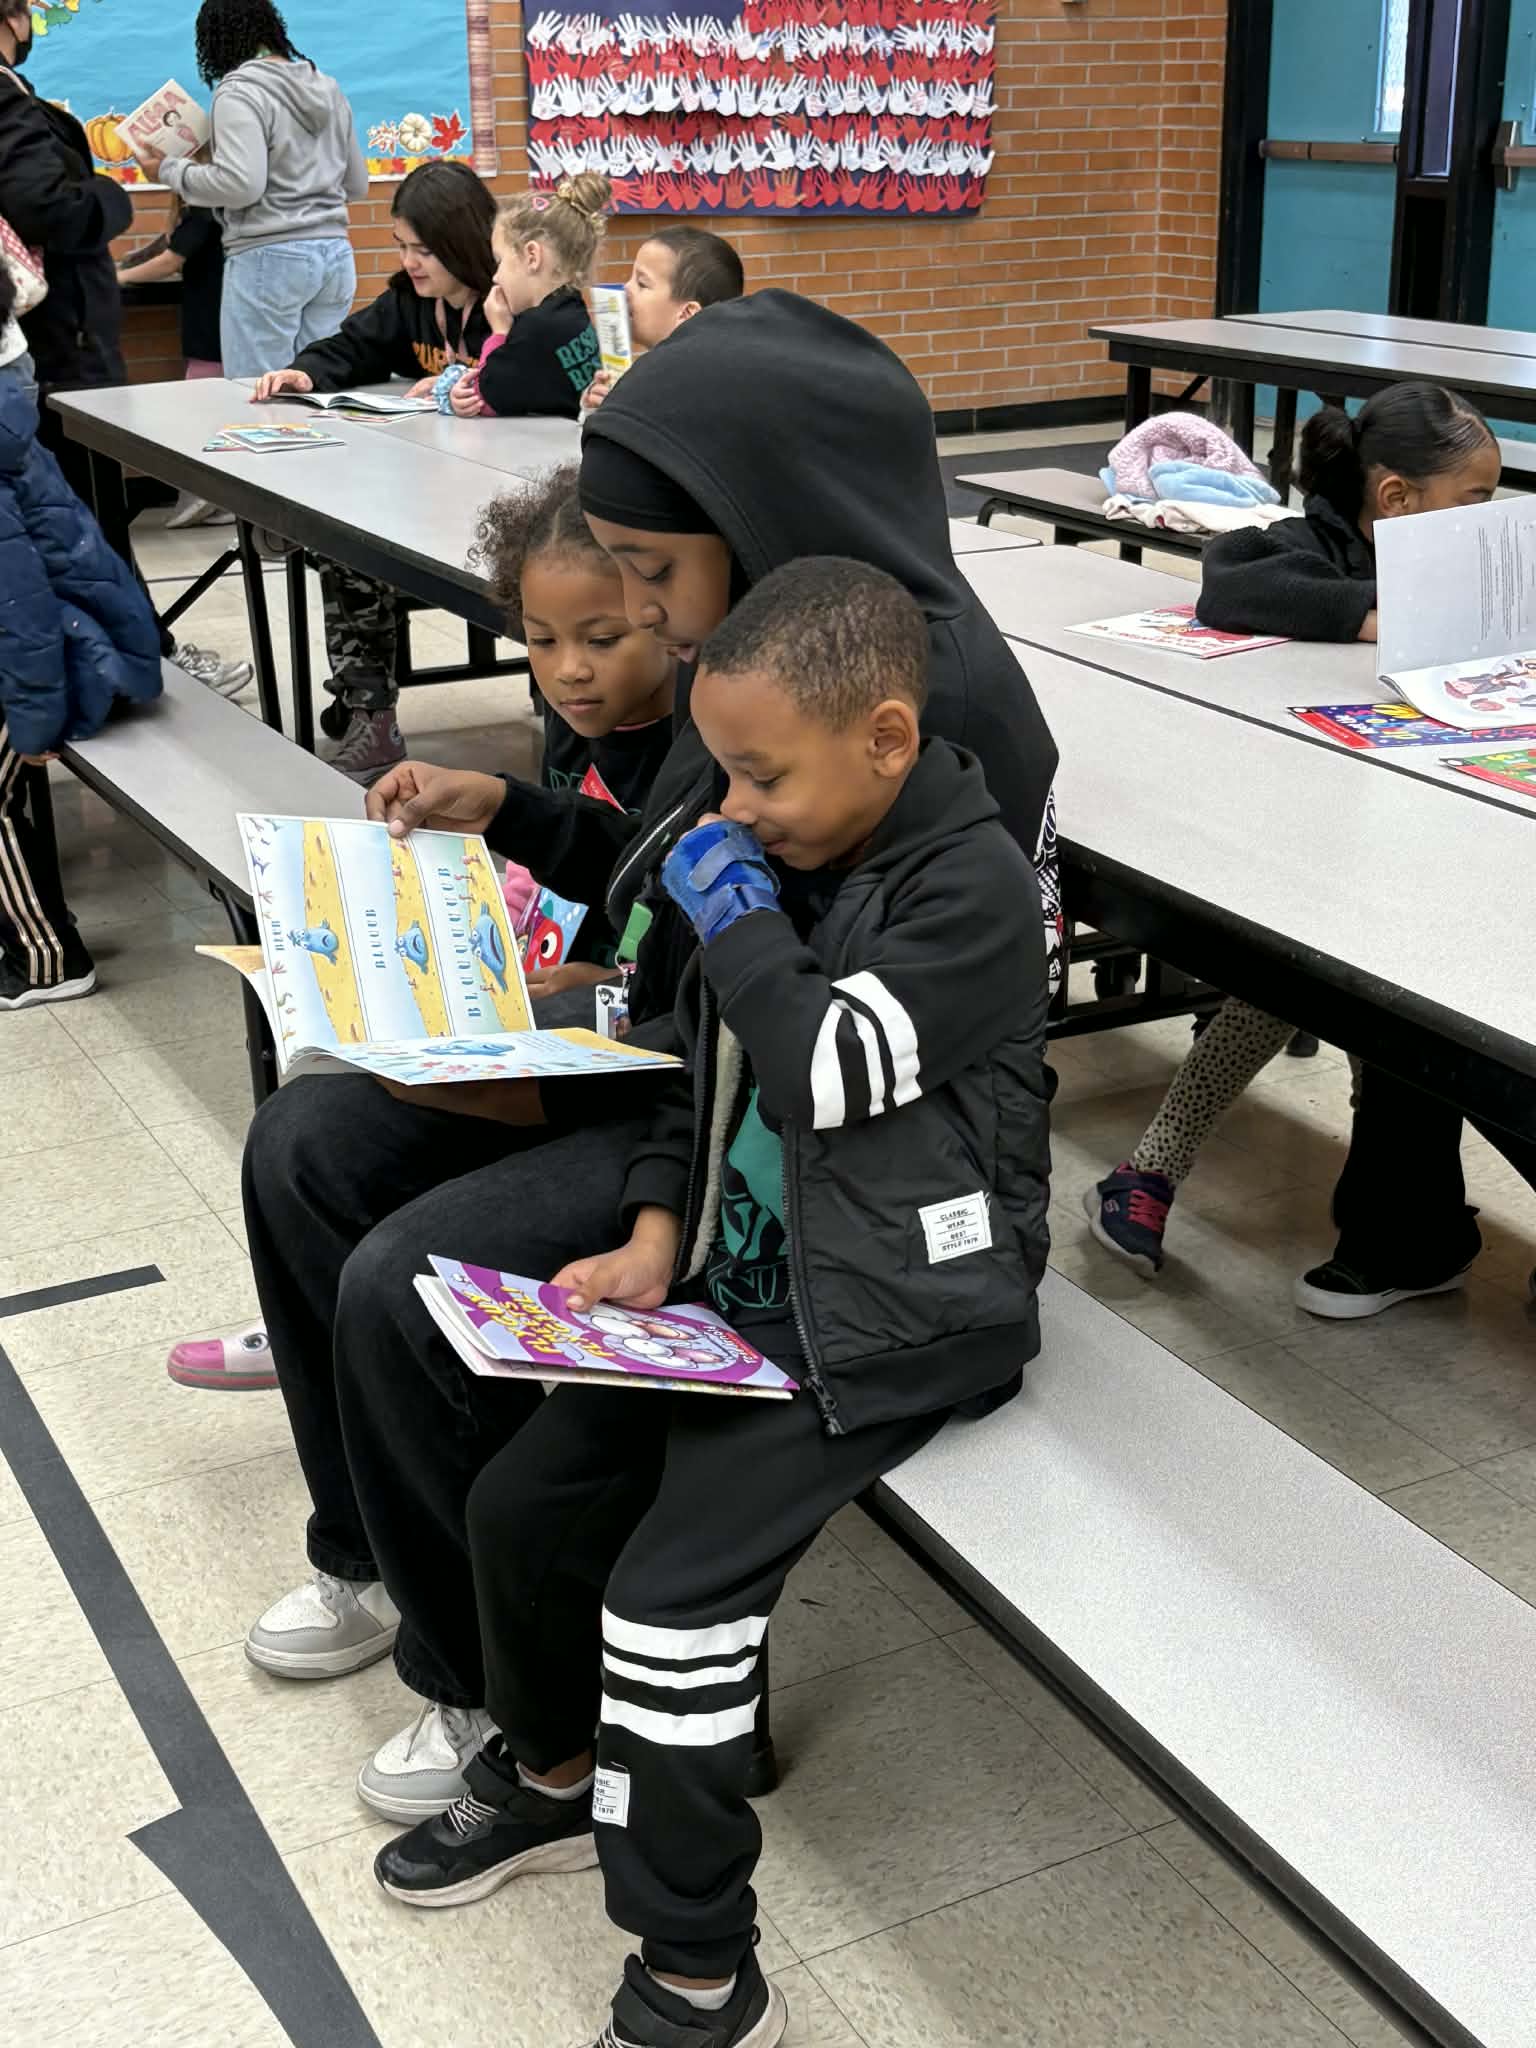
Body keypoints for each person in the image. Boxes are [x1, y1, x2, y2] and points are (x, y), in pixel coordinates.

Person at [231, 289, 1057, 1820]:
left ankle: (484, 1679)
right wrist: (515, 822)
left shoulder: (895, 712)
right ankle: (370, 1549)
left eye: (656, 571)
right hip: (669, 1058)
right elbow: (661, 878)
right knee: (305, 1145)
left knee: (401, 1278)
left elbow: (783, 1040)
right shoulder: (744, 666)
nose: (644, 607)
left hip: (767, 1142)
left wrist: (574, 1062)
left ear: (766, 518)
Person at [369, 558, 1054, 2048]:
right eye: (726, 773)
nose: (733, 807)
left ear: (885, 738)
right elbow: (702, 1066)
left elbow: (823, 1070)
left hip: (895, 1318)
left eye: (761, 776)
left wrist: (740, 918)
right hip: (740, 1289)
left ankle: (696, 1975)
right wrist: (655, 1232)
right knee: (521, 1508)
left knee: (668, 1609)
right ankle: (552, 1774)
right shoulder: (804, 845)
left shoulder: (974, 888)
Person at [167, 462, 676, 1391]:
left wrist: (605, 980)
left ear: (672, 616)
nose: (569, 668)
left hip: (644, 1059)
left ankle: (351, 1310)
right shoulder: (582, 717)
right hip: (572, 1004)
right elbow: (594, 868)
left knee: (384, 1222)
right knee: (302, 1121)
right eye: (540, 640)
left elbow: (678, 916)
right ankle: (315, 1318)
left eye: (602, 639)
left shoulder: (708, 740)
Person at [1087, 383, 1501, 1275]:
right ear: (1396, 497)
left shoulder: (1470, 561)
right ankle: (1157, 1169)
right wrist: (1372, 618)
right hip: (1307, 824)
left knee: (1369, 998)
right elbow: (1233, 581)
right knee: (1306, 989)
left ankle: (1386, 1196)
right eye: (1475, 498)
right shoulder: (1315, 543)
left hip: (1419, 816)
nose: (1488, 518)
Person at [254, 172, 610, 783]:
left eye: (422, 250)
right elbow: (353, 345)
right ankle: (370, 715)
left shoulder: (517, 308)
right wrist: (306, 372)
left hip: (514, 498)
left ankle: (547, 699)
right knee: (347, 545)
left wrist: (468, 370)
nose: (409, 263)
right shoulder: (410, 303)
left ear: (460, 243)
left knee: (540, 562)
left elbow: (510, 383)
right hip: (435, 492)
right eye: (401, 247)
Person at [0, 0, 250, 697]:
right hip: (58, 344)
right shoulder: (6, 100)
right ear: (14, 18)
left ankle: (114, 655)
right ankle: (141, 655)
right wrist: (110, 197)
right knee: (86, 515)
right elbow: (48, 205)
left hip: (47, 341)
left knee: (67, 517)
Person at [0, 260, 162, 1007]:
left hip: (68, 662)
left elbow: (22, 610)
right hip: (40, 651)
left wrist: (36, 722)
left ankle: (48, 958)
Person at [141, 0, 367, 380]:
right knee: (317, 385)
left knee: (257, 393)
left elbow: (241, 185)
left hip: (268, 254)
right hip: (335, 255)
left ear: (215, 40)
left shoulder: (238, 92)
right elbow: (356, 184)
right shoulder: (328, 88)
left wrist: (169, 170)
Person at [118, 202, 231, 529]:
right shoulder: (206, 209)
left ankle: (209, 494)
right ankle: (215, 496)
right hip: (214, 316)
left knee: (201, 406)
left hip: (211, 322)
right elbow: (168, 246)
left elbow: (170, 261)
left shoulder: (203, 210)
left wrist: (117, 277)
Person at [582, 226, 745, 415]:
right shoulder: (650, 372)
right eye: (631, 279)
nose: (626, 289)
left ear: (687, 314)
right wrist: (595, 410)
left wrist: (623, 410)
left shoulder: (692, 390)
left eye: (642, 284)